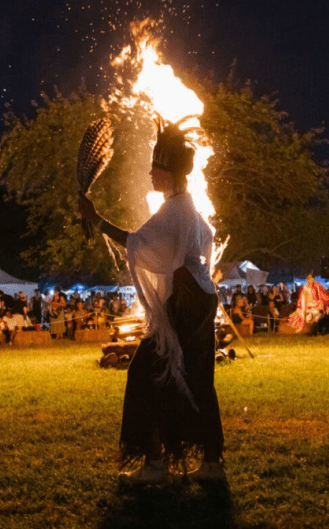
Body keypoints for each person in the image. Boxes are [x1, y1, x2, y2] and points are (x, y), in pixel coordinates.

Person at [78, 119, 224, 485]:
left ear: (168, 172)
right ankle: (211, 463)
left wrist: (97, 220)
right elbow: (204, 240)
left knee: (145, 375)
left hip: (185, 302)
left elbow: (137, 243)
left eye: (154, 168)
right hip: (202, 299)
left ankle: (156, 464)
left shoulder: (174, 210)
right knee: (198, 379)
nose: (149, 174)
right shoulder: (189, 208)